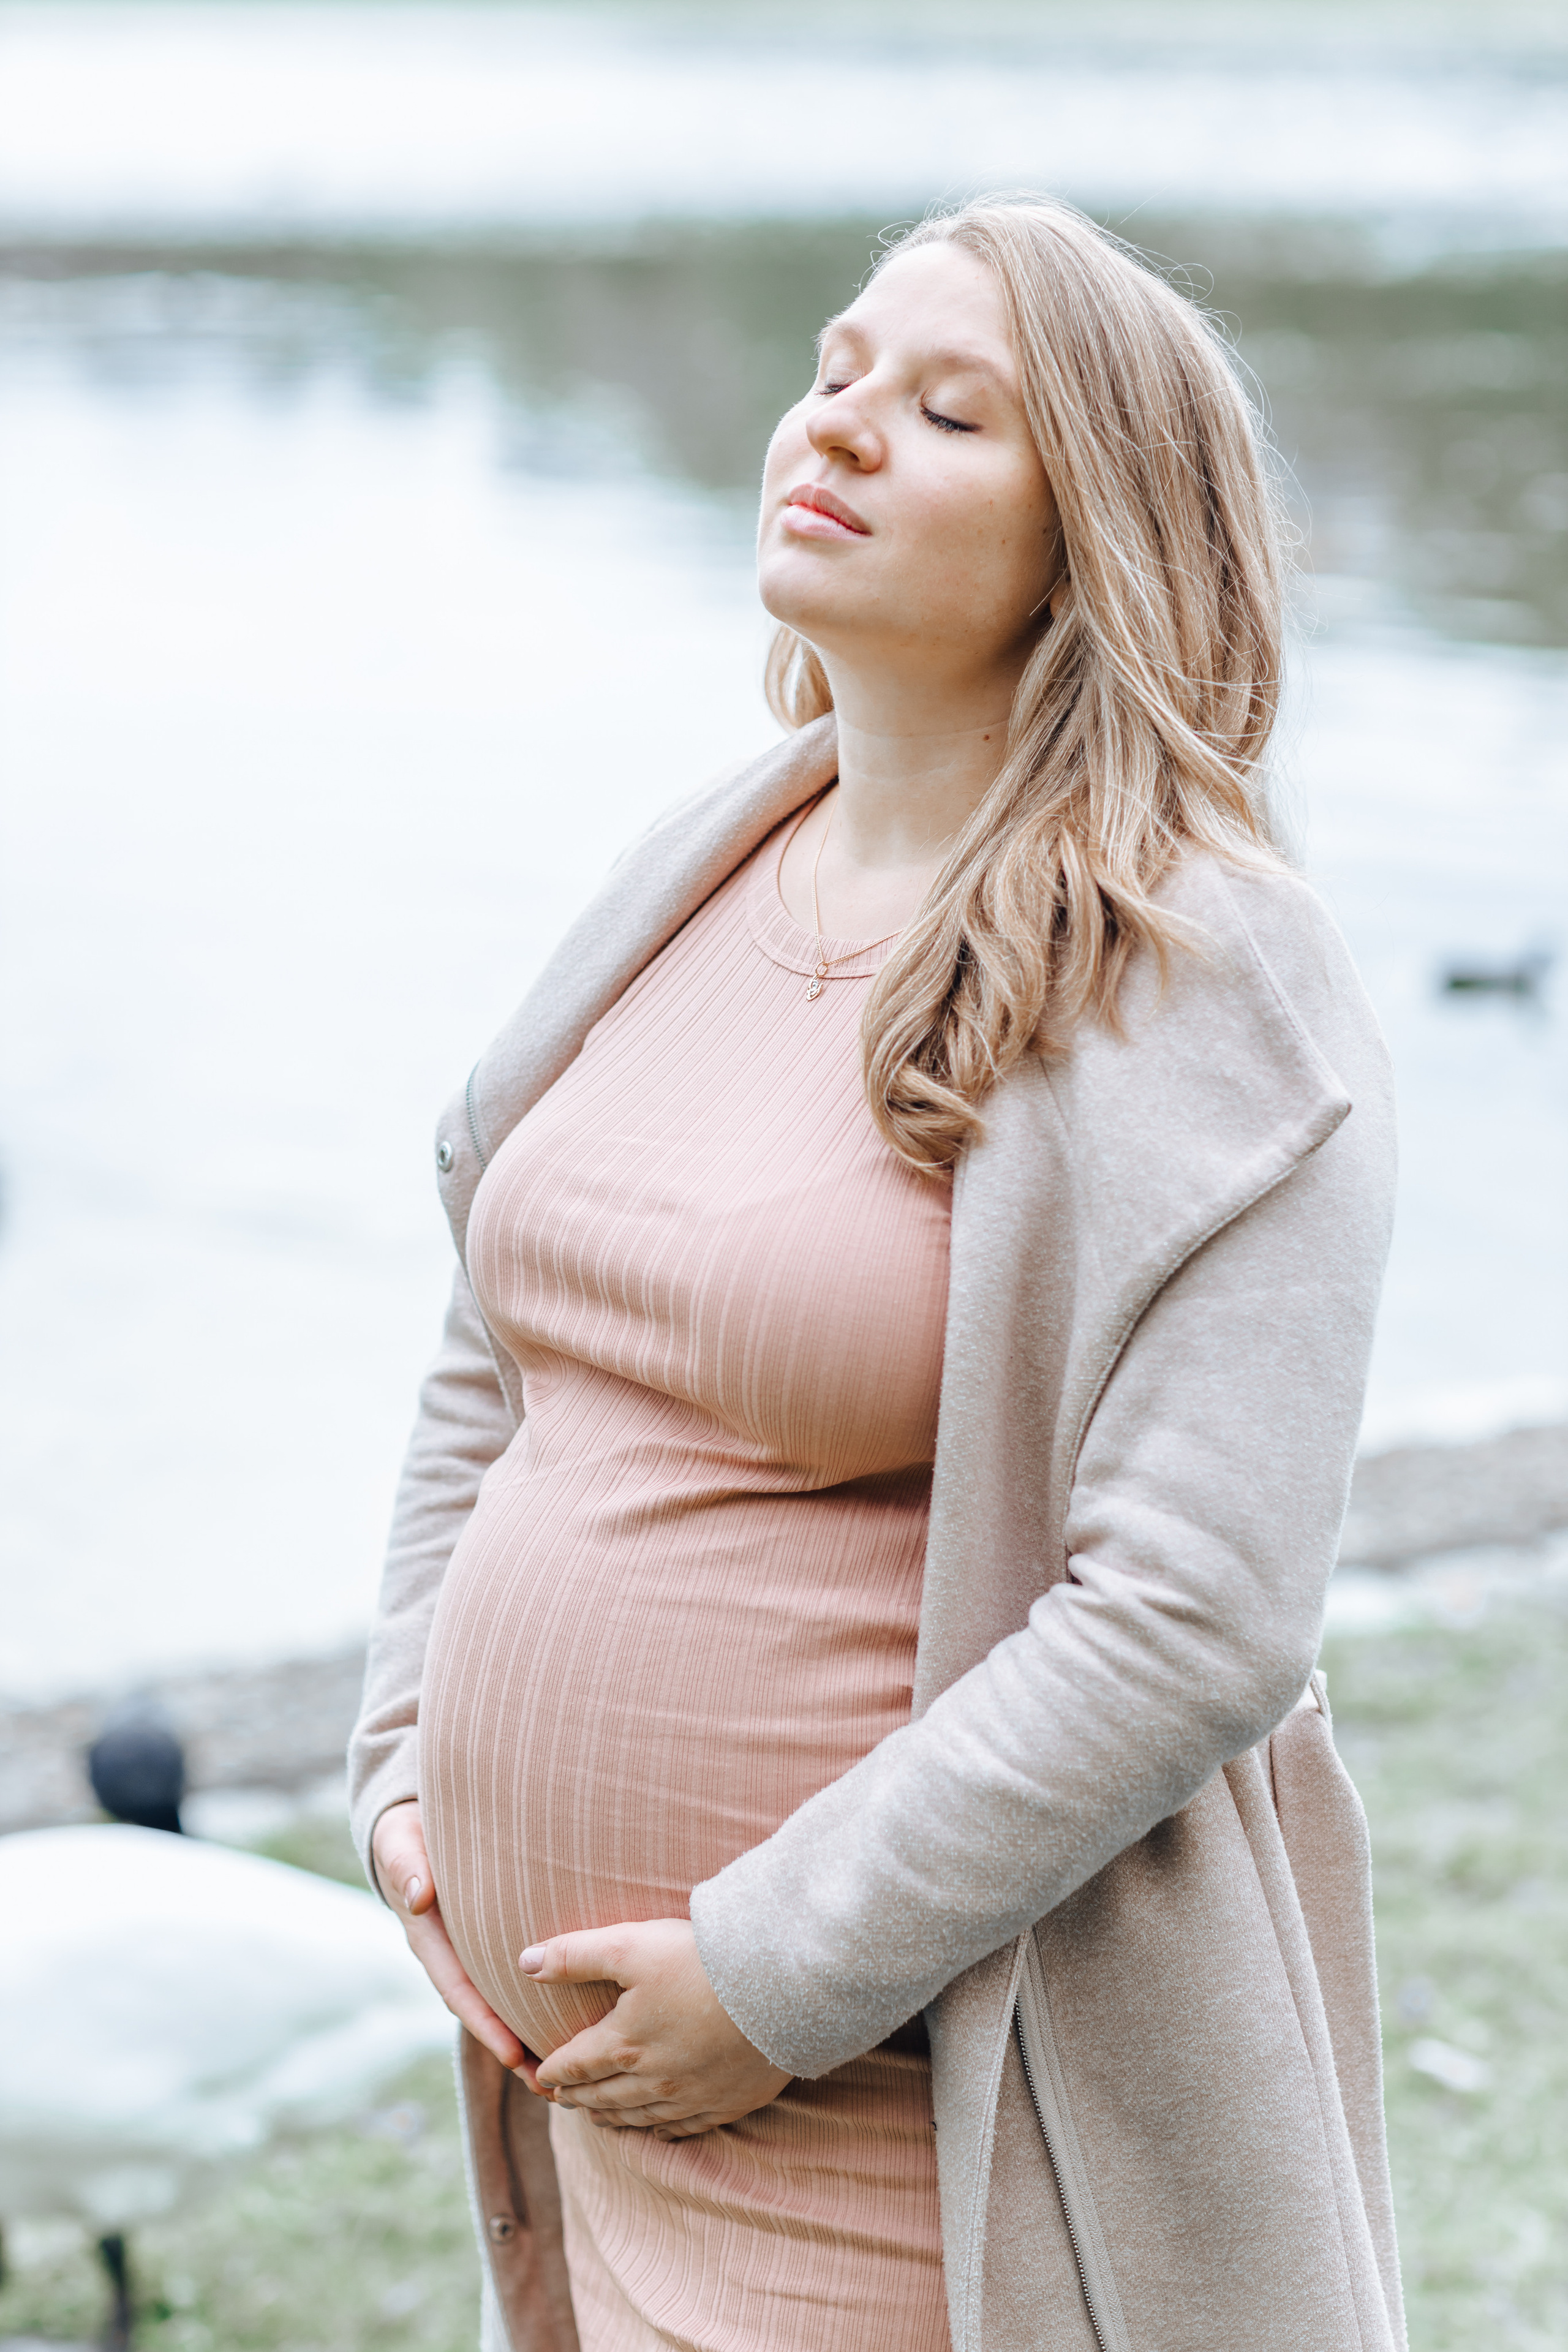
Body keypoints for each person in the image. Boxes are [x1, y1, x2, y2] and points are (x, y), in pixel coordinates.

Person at [348, 194, 1404, 2352]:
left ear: (1092, 531)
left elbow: (1196, 1614)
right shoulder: (710, 853)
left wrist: (774, 1973)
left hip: (914, 2121)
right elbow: (501, 1340)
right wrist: (400, 1763)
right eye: (836, 371)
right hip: (607, 2105)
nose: (837, 426)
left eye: (948, 412)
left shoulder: (1201, 971)